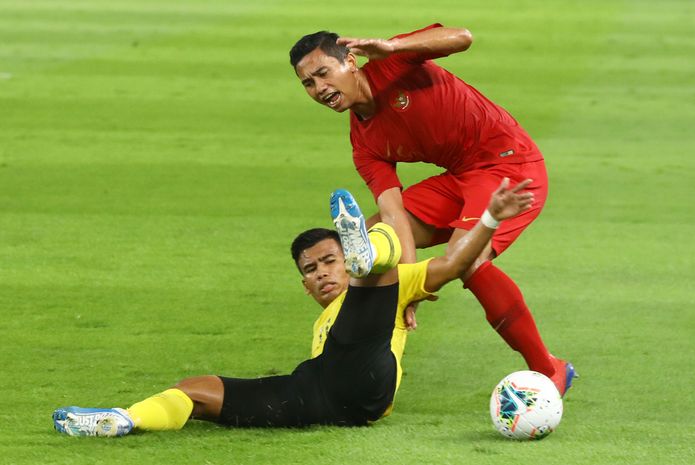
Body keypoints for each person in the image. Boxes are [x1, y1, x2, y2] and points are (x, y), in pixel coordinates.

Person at [52, 180, 533, 437]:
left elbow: (454, 263)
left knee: (378, 277)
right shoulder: (327, 317)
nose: (322, 272)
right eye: (311, 269)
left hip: (368, 380)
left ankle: (372, 250)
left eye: (331, 261)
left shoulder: (395, 285)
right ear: (303, 283)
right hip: (314, 392)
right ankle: (123, 419)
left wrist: (490, 217)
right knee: (193, 390)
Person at [289, 24, 576, 396]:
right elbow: (395, 218)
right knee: (373, 237)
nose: (320, 88)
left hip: (508, 167)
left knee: (466, 260)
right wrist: (406, 290)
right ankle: (354, 350)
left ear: (350, 60)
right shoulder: (364, 145)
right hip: (460, 178)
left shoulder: (392, 61)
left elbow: (463, 38)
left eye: (323, 73)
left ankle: (548, 368)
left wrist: (393, 47)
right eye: (308, 83)